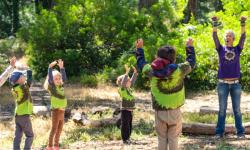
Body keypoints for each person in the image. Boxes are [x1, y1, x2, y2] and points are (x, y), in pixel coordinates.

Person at [135, 38, 196, 150]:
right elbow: (191, 62)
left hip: (160, 111)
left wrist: (139, 49)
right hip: (175, 111)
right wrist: (189, 47)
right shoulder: (179, 69)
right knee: (173, 138)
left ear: (158, 57)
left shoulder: (151, 71)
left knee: (162, 138)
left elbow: (141, 64)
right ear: (173, 58)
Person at [212, 16, 247, 138]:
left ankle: (241, 132)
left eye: (230, 36)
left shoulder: (237, 49)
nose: (227, 37)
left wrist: (242, 23)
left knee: (237, 110)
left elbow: (243, 37)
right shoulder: (220, 49)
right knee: (222, 110)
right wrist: (215, 23)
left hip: (236, 84)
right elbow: (215, 37)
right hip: (222, 84)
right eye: (226, 36)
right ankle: (219, 132)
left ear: (233, 38)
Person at [44, 59, 67, 150]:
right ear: (52, 81)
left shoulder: (61, 86)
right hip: (56, 110)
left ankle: (56, 145)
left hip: (62, 110)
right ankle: (49, 146)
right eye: (55, 79)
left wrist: (61, 68)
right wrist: (50, 68)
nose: (58, 80)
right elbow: (50, 78)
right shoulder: (53, 88)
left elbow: (64, 78)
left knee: (60, 129)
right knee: (54, 129)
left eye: (59, 78)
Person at [9, 66, 34, 150]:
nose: (25, 77)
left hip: (18, 115)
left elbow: (27, 83)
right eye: (23, 76)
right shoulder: (23, 88)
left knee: (18, 135)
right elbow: (29, 81)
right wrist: (29, 71)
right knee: (30, 135)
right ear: (19, 79)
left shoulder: (15, 89)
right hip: (24, 115)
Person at [116, 64, 138, 144]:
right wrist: (126, 73)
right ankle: (125, 139)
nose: (130, 82)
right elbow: (123, 84)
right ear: (124, 83)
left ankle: (128, 138)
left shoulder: (129, 89)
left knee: (129, 125)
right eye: (128, 81)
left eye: (129, 80)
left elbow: (132, 82)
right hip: (125, 110)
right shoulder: (122, 90)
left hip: (130, 110)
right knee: (125, 125)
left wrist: (134, 73)